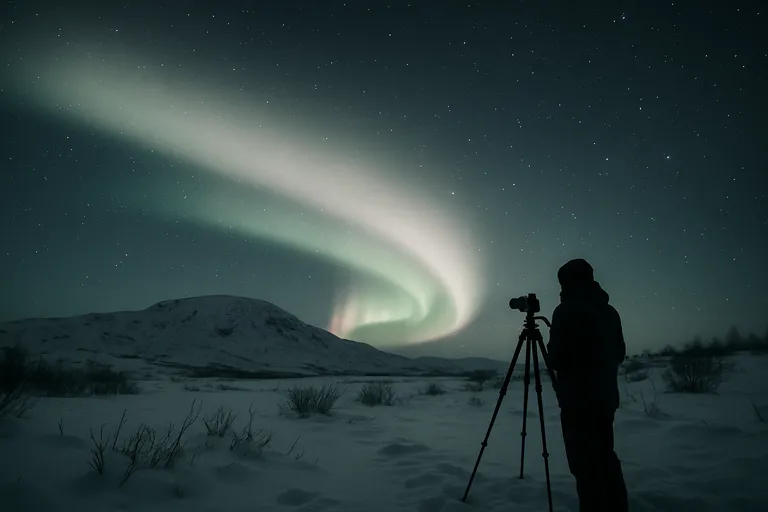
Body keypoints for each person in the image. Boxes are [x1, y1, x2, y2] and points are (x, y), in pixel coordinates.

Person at [545, 258, 628, 512]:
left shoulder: (566, 310)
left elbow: (557, 359)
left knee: (585, 465)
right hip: (605, 398)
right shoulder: (609, 311)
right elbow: (620, 352)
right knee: (605, 457)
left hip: (578, 402)